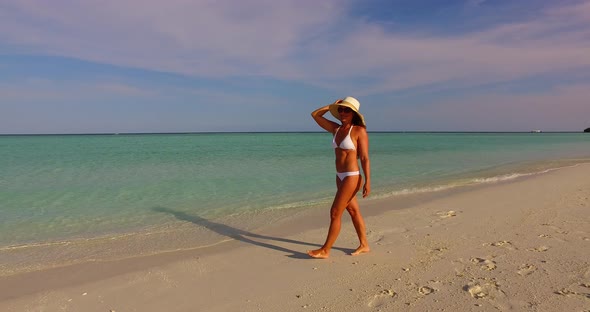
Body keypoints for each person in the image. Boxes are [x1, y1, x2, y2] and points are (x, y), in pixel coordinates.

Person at [308, 97, 371, 259]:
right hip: (340, 176)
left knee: (335, 212)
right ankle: (364, 245)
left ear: (353, 113)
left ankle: (325, 250)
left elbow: (364, 158)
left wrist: (368, 182)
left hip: (352, 176)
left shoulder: (359, 131)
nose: (343, 112)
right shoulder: (336, 129)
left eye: (346, 110)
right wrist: (331, 106)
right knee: (353, 210)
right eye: (341, 110)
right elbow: (315, 115)